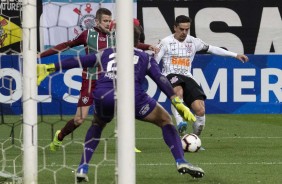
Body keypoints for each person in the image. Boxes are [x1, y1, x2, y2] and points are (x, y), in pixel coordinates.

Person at [38, 26, 205, 182]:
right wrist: (177, 102)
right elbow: (161, 79)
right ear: (138, 41)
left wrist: (51, 67)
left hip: (105, 95)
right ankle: (180, 160)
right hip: (133, 97)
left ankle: (83, 167)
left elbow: (79, 60)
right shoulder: (144, 57)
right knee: (165, 120)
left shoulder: (106, 53)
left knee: (97, 124)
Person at [37, 7, 156, 153]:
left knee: (124, 110)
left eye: (109, 21)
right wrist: (41, 56)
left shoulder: (116, 36)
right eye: (105, 21)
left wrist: (148, 46)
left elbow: (133, 45)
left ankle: (128, 144)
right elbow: (66, 45)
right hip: (90, 81)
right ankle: (60, 135)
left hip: (109, 81)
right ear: (97, 22)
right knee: (79, 119)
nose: (108, 24)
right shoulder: (87, 34)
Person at [154, 15, 249, 137]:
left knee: (200, 109)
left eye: (187, 29)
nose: (184, 32)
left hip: (187, 76)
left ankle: (195, 138)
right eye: (181, 29)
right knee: (178, 91)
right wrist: (157, 78)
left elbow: (212, 49)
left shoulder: (193, 41)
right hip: (170, 75)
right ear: (175, 28)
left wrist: (235, 55)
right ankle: (180, 123)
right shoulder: (165, 42)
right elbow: (155, 62)